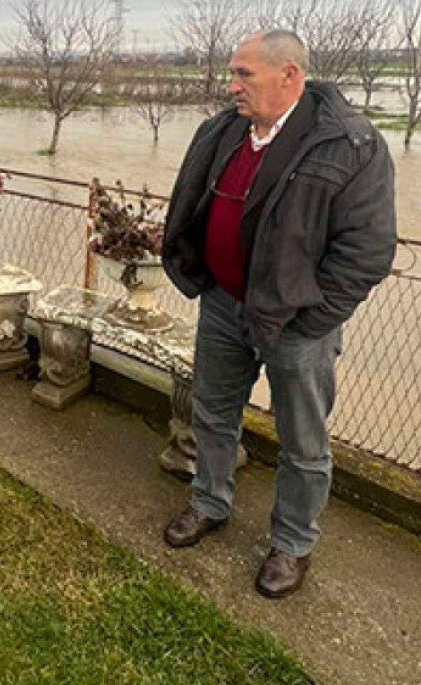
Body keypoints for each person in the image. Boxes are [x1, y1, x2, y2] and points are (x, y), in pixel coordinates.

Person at [160, 30, 396, 598]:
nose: (231, 84)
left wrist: (314, 320)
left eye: (244, 74)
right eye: (232, 73)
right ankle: (209, 503)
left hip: (296, 324)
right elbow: (193, 198)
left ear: (289, 75)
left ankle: (292, 544)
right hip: (223, 306)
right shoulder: (225, 129)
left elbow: (366, 252)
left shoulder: (349, 144)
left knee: (303, 443)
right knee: (213, 415)